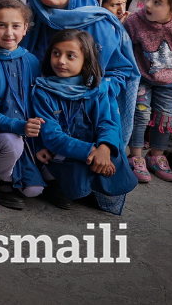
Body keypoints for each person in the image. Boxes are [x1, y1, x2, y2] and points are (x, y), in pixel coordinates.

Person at [24, 0, 141, 151]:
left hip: (88, 110)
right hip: (36, 108)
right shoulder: (25, 18)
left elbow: (121, 71)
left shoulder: (99, 22)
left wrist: (92, 90)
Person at [32, 28, 138, 213]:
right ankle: (59, 186)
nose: (61, 61)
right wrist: (91, 151)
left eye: (70, 56)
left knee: (114, 158)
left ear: (85, 60)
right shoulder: (43, 91)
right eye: (56, 53)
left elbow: (108, 123)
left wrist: (104, 148)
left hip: (94, 147)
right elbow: (53, 136)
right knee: (69, 163)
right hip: (61, 150)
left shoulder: (98, 89)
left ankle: (91, 186)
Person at [0, 0, 45, 208]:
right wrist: (22, 126)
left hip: (28, 133)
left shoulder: (31, 61)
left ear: (25, 29)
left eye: (15, 26)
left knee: (34, 191)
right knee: (12, 143)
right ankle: (2, 183)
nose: (8, 33)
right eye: (1, 25)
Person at [123, 0, 172, 183]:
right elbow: (123, 47)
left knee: (164, 119)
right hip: (142, 79)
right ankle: (135, 157)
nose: (147, 4)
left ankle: (156, 156)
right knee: (140, 116)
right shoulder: (134, 22)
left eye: (157, 2)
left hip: (168, 82)